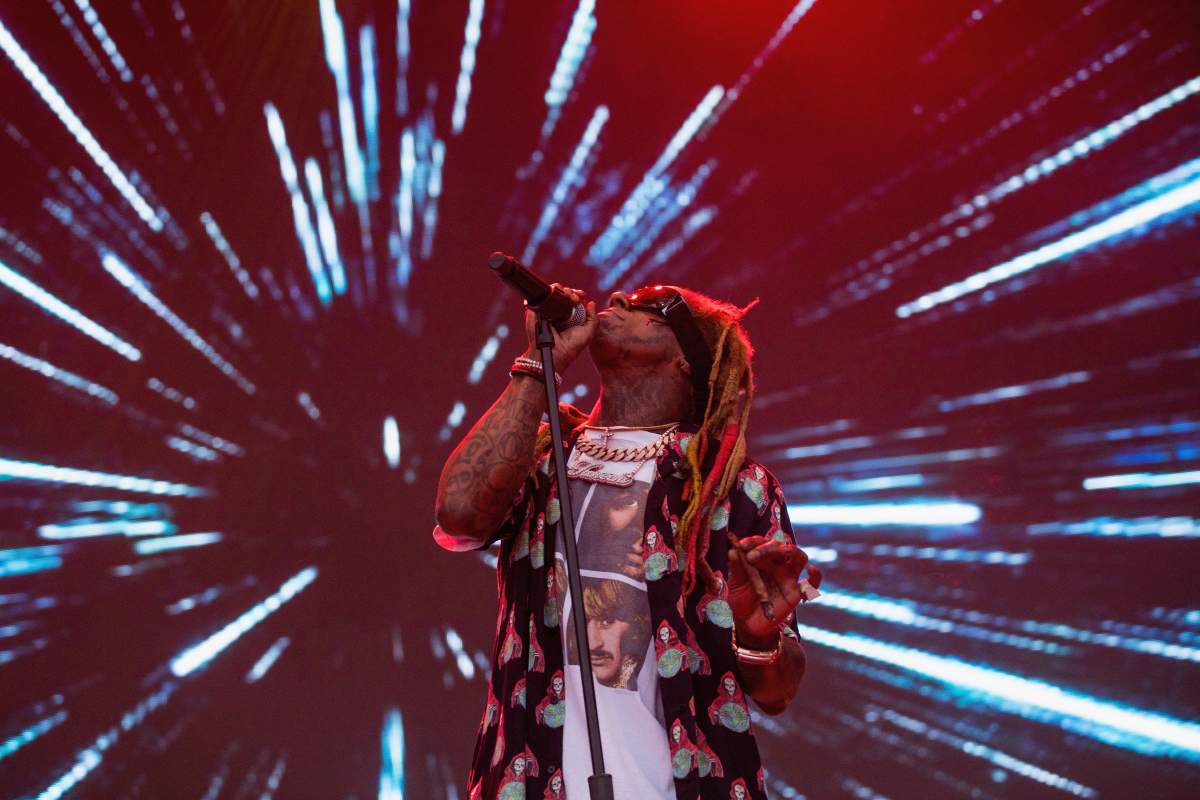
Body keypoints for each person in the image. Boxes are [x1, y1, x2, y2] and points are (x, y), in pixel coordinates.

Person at [436, 284, 820, 800]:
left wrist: (755, 636)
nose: (617, 297)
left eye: (652, 306)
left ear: (688, 358)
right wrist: (536, 364)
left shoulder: (729, 483)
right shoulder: (543, 457)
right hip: (528, 782)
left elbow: (779, 691)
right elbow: (459, 516)